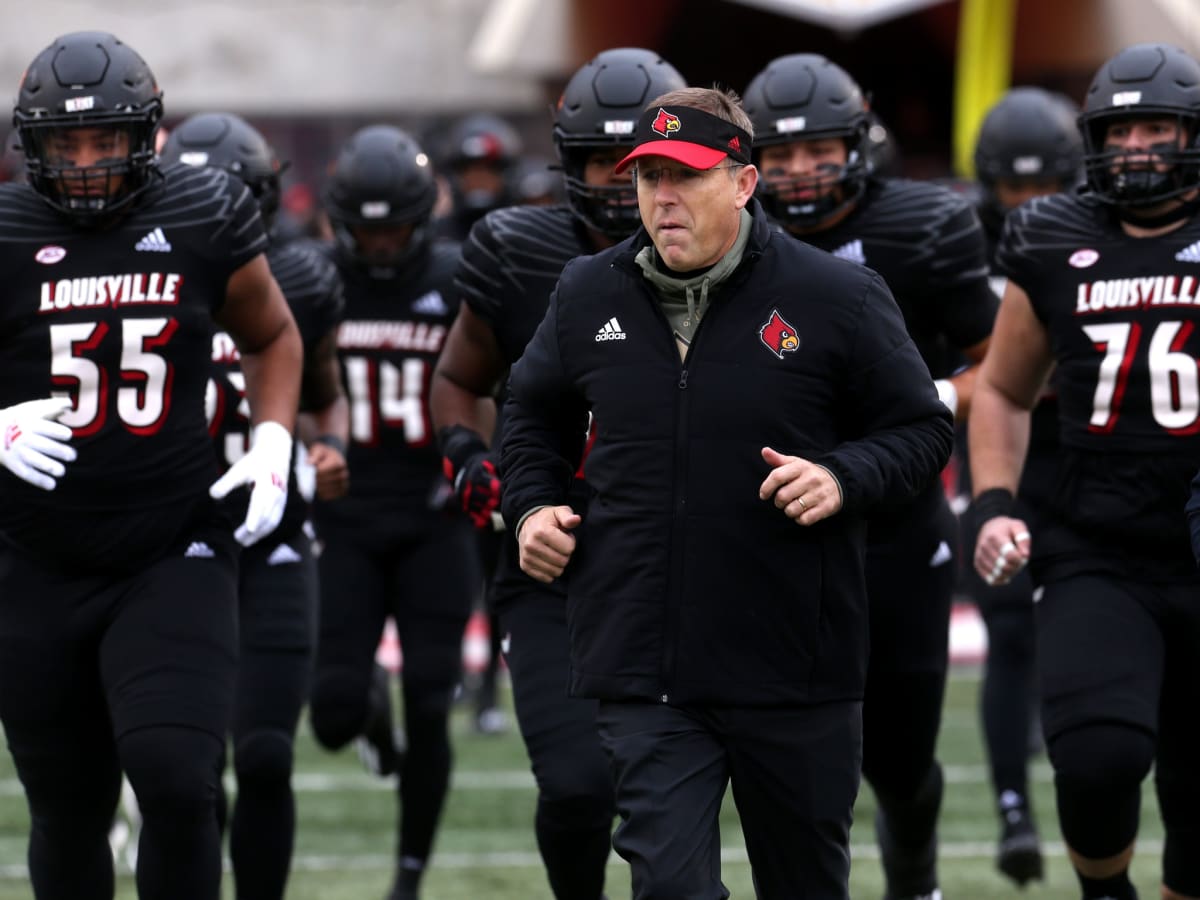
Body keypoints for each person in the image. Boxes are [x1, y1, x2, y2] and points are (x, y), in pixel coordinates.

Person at [499, 85, 954, 900]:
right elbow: (530, 413)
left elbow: (921, 431)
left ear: (743, 182)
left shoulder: (838, 297)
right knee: (669, 889)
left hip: (794, 666)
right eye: (648, 178)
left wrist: (842, 475)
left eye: (685, 176)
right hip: (646, 666)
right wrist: (531, 504)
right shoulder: (586, 292)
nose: (661, 198)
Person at [0, 30, 302, 900]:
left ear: (149, 136)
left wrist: (274, 436)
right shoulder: (8, 232)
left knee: (177, 780)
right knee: (68, 808)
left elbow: (272, 334)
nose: (89, 163)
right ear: (33, 146)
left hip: (172, 548)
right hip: (35, 558)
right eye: (67, 143)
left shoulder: (203, 212)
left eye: (106, 140)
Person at [431, 46, 687, 900]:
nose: (623, 188)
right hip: (552, 558)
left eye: (643, 166)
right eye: (600, 166)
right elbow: (459, 379)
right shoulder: (517, 250)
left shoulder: (742, 257)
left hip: (688, 563)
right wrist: (470, 456)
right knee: (577, 784)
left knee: (674, 797)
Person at [742, 53, 996, 900]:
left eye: (818, 151)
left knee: (899, 754)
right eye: (778, 157)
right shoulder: (730, 238)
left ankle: (913, 880)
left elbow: (998, 367)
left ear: (858, 143)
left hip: (896, 518)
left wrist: (927, 396)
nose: (800, 172)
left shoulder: (922, 227)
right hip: (771, 525)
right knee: (792, 757)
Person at [971, 42, 1200, 900]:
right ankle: (1105, 891)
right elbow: (1000, 389)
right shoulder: (1052, 235)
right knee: (1097, 757)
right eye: (1123, 129)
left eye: (1158, 127)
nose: (1139, 145)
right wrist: (995, 500)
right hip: (1098, 543)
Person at [159, 111, 349, 900]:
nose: (215, 214)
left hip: (272, 531)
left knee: (267, 753)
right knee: (191, 768)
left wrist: (328, 447)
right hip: (175, 538)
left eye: (229, 198)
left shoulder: (301, 280)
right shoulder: (147, 272)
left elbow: (325, 395)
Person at [307, 123, 479, 900]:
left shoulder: (459, 273)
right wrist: (313, 445)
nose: (379, 246)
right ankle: (369, 713)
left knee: (435, 702)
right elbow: (290, 376)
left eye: (394, 229)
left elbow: (493, 382)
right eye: (365, 231)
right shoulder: (313, 279)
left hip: (433, 516)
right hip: (343, 517)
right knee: (334, 714)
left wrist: (477, 460)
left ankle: (408, 877)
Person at [962, 85, 1084, 887]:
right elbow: (954, 380)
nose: (1031, 205)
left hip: (1082, 463)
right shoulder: (959, 249)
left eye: (1046, 188)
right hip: (1005, 462)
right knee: (1009, 636)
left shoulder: (1098, 237)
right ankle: (1015, 810)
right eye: (1016, 189)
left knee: (1082, 638)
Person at [434, 112, 523, 241]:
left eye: (488, 170)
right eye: (471, 171)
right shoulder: (439, 234)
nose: (479, 179)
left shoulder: (522, 230)